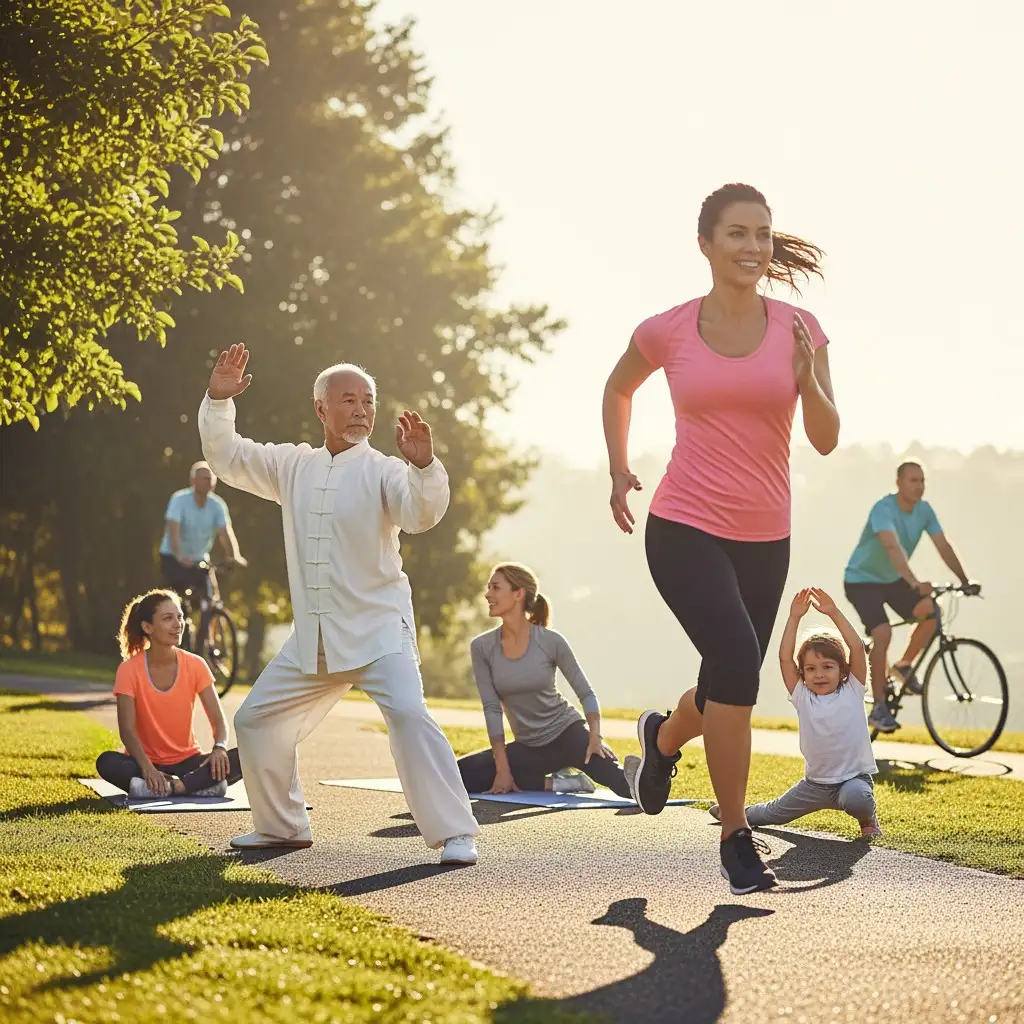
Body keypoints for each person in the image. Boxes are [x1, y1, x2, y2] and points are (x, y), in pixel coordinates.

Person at [604, 182, 840, 895]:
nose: (753, 247)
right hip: (682, 524)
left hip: (767, 536)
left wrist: (810, 380)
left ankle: (662, 738)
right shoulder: (667, 329)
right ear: (705, 243)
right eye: (738, 234)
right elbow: (618, 388)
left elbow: (826, 440)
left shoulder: (800, 328)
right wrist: (618, 469)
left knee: (728, 679)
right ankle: (737, 836)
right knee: (738, 659)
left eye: (763, 234)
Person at [198, 344, 481, 865]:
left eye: (367, 401)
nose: (361, 410)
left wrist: (424, 467)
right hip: (316, 638)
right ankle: (282, 828)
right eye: (348, 400)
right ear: (321, 409)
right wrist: (219, 399)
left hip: (379, 630)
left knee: (409, 716)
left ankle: (455, 833)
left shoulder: (387, 470)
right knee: (256, 720)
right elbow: (229, 456)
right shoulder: (292, 465)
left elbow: (419, 514)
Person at [709, 587, 882, 839]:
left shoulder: (853, 689)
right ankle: (733, 813)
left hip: (852, 781)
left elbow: (856, 647)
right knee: (766, 815)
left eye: (827, 667)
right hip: (814, 786)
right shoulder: (803, 697)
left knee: (859, 798)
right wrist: (794, 618)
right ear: (803, 674)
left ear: (842, 670)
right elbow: (785, 659)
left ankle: (868, 819)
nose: (819, 674)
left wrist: (833, 612)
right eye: (810, 669)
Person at [457, 562, 632, 799]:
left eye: (496, 588)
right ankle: (561, 783)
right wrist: (503, 769)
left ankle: (650, 771)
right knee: (458, 775)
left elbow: (586, 693)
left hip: (569, 734)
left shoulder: (551, 641)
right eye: (489, 588)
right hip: (529, 748)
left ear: (518, 594)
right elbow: (491, 709)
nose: (488, 594)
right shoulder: (482, 647)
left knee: (621, 783)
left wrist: (595, 737)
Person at [843, 459, 975, 732]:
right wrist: (914, 582)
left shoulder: (924, 510)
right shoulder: (884, 509)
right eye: (913, 480)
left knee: (930, 611)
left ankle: (903, 666)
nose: (919, 486)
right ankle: (879, 707)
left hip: (892, 580)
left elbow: (942, 544)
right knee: (882, 632)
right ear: (899, 482)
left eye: (922, 480)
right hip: (861, 580)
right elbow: (892, 547)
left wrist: (965, 580)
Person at [96, 589, 242, 798]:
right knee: (107, 762)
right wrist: (148, 769)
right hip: (145, 762)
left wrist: (219, 748)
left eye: (180, 617)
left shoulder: (196, 665)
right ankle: (198, 786)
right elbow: (127, 731)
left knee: (247, 754)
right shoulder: (128, 670)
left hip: (189, 763)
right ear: (148, 627)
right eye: (167, 618)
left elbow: (218, 720)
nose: (178, 624)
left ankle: (174, 787)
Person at [159, 461, 247, 600]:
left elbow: (225, 533)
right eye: (205, 478)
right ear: (193, 481)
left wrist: (234, 556)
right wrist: (179, 555)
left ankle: (210, 617)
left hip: (199, 559)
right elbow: (173, 531)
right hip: (173, 558)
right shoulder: (179, 500)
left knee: (212, 597)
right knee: (176, 600)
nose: (209, 482)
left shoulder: (217, 505)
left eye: (211, 479)